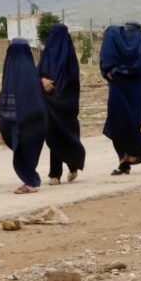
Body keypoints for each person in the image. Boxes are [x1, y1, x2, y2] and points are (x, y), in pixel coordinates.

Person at [100, 21, 141, 175]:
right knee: (117, 123)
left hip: (135, 91)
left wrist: (116, 72)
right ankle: (124, 162)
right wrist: (109, 71)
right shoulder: (117, 43)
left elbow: (139, 67)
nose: (130, 36)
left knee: (132, 123)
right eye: (127, 31)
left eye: (133, 32)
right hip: (118, 90)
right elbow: (107, 59)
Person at [38, 23, 86, 185]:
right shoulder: (45, 54)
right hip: (49, 103)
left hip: (67, 104)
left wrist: (59, 88)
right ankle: (56, 173)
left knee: (67, 136)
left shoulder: (69, 56)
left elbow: (73, 80)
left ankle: (70, 167)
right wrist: (42, 80)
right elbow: (37, 73)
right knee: (53, 135)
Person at [0, 38, 47, 194]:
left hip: (27, 118)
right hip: (27, 117)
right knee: (24, 148)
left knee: (26, 148)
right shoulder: (28, 69)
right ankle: (30, 180)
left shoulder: (18, 69)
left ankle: (30, 182)